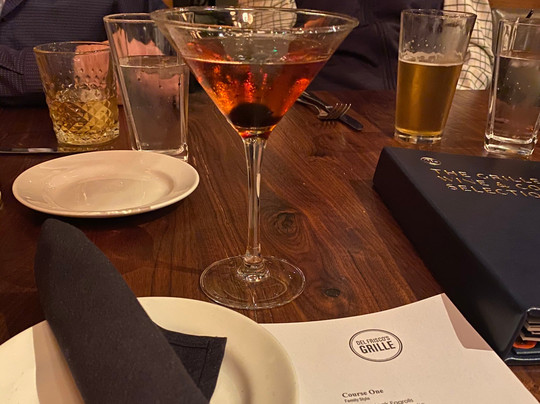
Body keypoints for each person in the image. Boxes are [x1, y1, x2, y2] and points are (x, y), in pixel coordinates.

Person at [295, 0, 494, 91]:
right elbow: (279, 41)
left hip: (419, 104)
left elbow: (474, 49)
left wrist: (446, 107)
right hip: (319, 104)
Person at [0, 0, 167, 106]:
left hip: (101, 130)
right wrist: (73, 67)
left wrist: (165, 70)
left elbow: (167, 33)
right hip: (24, 129)